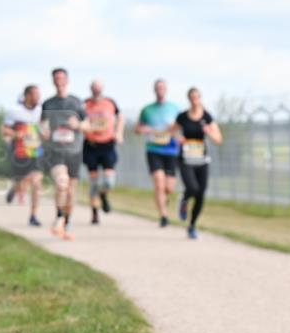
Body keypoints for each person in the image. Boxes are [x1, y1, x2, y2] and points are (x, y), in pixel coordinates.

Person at [41, 68, 89, 240]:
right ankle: (59, 217)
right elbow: (42, 125)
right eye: (56, 78)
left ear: (67, 80)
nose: (59, 81)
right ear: (53, 81)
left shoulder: (77, 102)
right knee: (62, 183)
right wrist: (44, 131)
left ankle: (67, 222)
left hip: (74, 151)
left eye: (62, 78)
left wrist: (78, 125)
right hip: (55, 151)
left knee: (70, 190)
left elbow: (88, 125)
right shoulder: (48, 104)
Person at [172, 87, 223, 239]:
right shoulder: (182, 116)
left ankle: (192, 225)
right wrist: (178, 138)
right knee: (192, 188)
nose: (194, 100)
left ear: (200, 98)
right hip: (186, 159)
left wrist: (209, 132)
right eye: (192, 97)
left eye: (197, 97)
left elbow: (219, 139)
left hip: (202, 160)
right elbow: (172, 131)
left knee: (201, 194)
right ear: (189, 99)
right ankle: (184, 199)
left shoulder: (207, 117)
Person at [135, 79, 182, 227]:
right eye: (158, 88)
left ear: (166, 90)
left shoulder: (175, 108)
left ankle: (163, 199)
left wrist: (174, 130)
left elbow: (181, 127)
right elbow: (137, 128)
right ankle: (163, 216)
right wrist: (144, 129)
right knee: (158, 183)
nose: (160, 90)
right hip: (153, 150)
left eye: (162, 87)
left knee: (169, 188)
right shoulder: (147, 110)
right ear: (154, 90)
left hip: (171, 150)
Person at [1, 85, 46, 226]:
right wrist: (16, 134)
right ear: (27, 96)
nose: (38, 98)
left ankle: (33, 216)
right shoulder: (14, 111)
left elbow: (44, 129)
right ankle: (14, 189)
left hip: (36, 151)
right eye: (35, 95)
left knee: (36, 182)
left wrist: (45, 133)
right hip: (20, 152)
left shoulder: (40, 111)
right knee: (21, 181)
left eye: (39, 95)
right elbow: (4, 130)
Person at [83, 79, 124, 224]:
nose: (96, 91)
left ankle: (103, 194)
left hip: (107, 145)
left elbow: (120, 116)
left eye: (98, 88)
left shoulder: (110, 103)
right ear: (91, 89)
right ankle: (94, 213)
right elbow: (79, 121)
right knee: (93, 182)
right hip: (91, 146)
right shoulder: (85, 104)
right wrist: (84, 128)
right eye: (94, 88)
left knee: (109, 182)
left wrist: (119, 132)